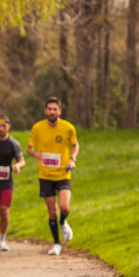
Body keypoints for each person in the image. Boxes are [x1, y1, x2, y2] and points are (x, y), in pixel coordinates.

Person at [27, 96, 79, 256]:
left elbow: (75, 145)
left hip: (63, 173)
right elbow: (29, 148)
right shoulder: (37, 128)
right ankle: (56, 243)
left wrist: (72, 159)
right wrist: (36, 154)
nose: (52, 112)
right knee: (52, 212)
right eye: (49, 109)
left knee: (64, 207)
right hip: (45, 175)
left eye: (55, 109)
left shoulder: (68, 127)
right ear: (45, 111)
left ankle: (63, 222)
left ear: (59, 111)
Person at [0, 114, 25, 251]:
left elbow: (21, 160)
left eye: (3, 126)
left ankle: (2, 239)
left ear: (9, 126)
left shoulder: (14, 143)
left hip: (6, 181)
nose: (1, 128)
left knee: (5, 211)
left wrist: (18, 166)